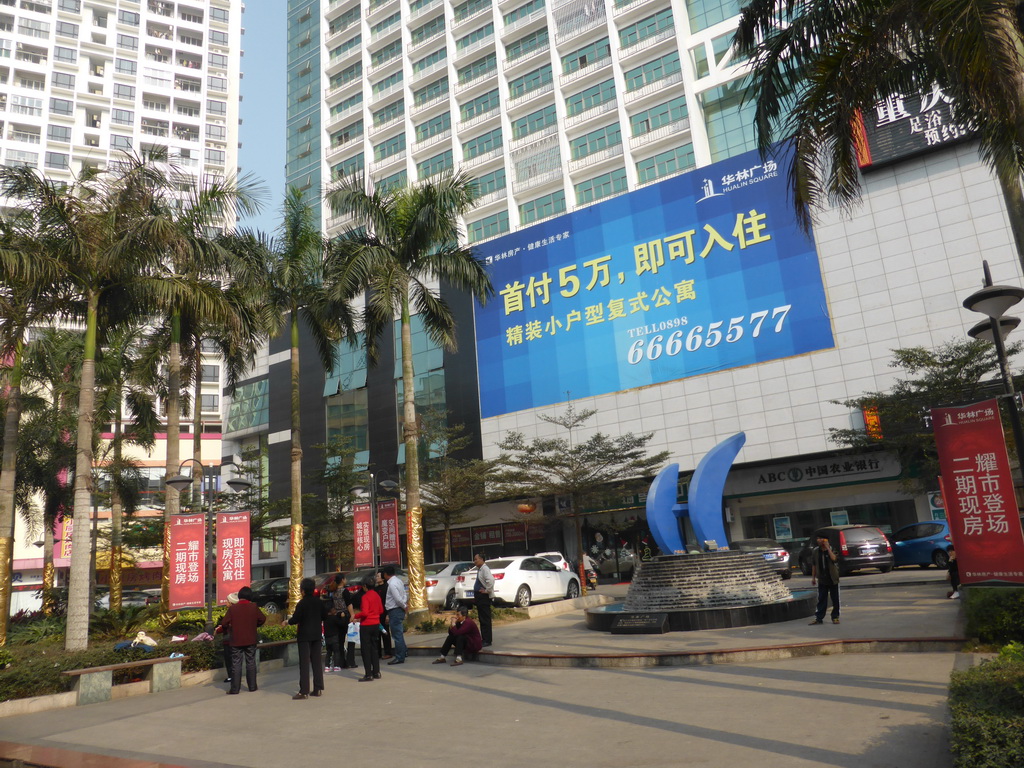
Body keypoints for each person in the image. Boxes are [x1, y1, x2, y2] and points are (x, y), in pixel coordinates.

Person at [219, 585, 265, 694]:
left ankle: (235, 689)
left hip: (236, 640)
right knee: (250, 662)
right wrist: (254, 625)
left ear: (239, 596)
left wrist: (229, 628)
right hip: (250, 639)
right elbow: (262, 619)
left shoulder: (233, 608)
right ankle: (252, 687)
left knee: (236, 663)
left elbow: (224, 623)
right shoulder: (253, 607)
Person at [288, 577, 327, 699]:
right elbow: (325, 616)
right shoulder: (319, 602)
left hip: (304, 636)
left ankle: (304, 691)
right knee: (316, 662)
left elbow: (295, 619)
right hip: (316, 634)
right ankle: (318, 688)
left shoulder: (302, 603)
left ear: (303, 590)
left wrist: (287, 622)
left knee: (304, 664)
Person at [355, 574, 384, 681]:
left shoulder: (365, 597)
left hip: (366, 625)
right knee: (374, 648)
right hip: (376, 624)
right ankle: (376, 671)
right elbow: (381, 610)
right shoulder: (377, 595)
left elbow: (365, 613)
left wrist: (356, 616)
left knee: (365, 650)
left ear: (365, 586)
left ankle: (368, 674)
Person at [809, 534, 841, 625]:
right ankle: (819, 618)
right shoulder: (816, 551)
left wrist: (828, 548)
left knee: (835, 599)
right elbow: (814, 565)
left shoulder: (832, 549)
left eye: (821, 538)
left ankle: (835, 617)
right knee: (822, 599)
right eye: (818, 538)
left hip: (832, 578)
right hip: (822, 578)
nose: (819, 540)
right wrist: (813, 577)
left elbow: (834, 559)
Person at [382, 564, 407, 665]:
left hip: (395, 610)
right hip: (398, 609)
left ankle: (400, 656)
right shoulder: (399, 581)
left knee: (397, 635)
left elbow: (397, 598)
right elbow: (404, 594)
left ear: (386, 574)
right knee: (399, 633)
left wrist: (403, 605)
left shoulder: (392, 584)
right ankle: (403, 652)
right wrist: (404, 604)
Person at [215, 591, 239, 684]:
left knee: (229, 659)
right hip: (236, 638)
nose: (226, 603)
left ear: (231, 602)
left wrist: (218, 630)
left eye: (227, 601)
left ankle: (231, 677)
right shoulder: (238, 610)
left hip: (229, 639)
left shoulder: (231, 611)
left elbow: (225, 624)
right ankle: (235, 676)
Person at [472, 553, 494, 647]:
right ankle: (484, 638)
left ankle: (487, 640)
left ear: (481, 559)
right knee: (482, 619)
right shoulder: (480, 569)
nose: (475, 561)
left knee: (485, 619)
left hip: (483, 597)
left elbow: (491, 580)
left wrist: (487, 590)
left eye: (476, 559)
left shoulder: (485, 569)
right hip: (479, 597)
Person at [374, 572, 393, 659]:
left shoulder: (387, 587)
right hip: (376, 614)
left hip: (385, 612)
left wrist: (387, 614)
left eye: (378, 576)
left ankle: (388, 652)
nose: (376, 578)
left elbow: (388, 601)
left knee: (385, 632)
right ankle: (377, 653)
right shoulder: (375, 589)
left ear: (382, 578)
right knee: (377, 633)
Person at [323, 605, 346, 672]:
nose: (335, 610)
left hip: (327, 638)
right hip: (334, 637)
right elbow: (341, 624)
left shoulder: (325, 619)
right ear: (330, 611)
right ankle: (336, 666)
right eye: (333, 609)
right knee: (336, 652)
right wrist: (343, 617)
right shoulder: (334, 618)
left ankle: (327, 666)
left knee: (329, 652)